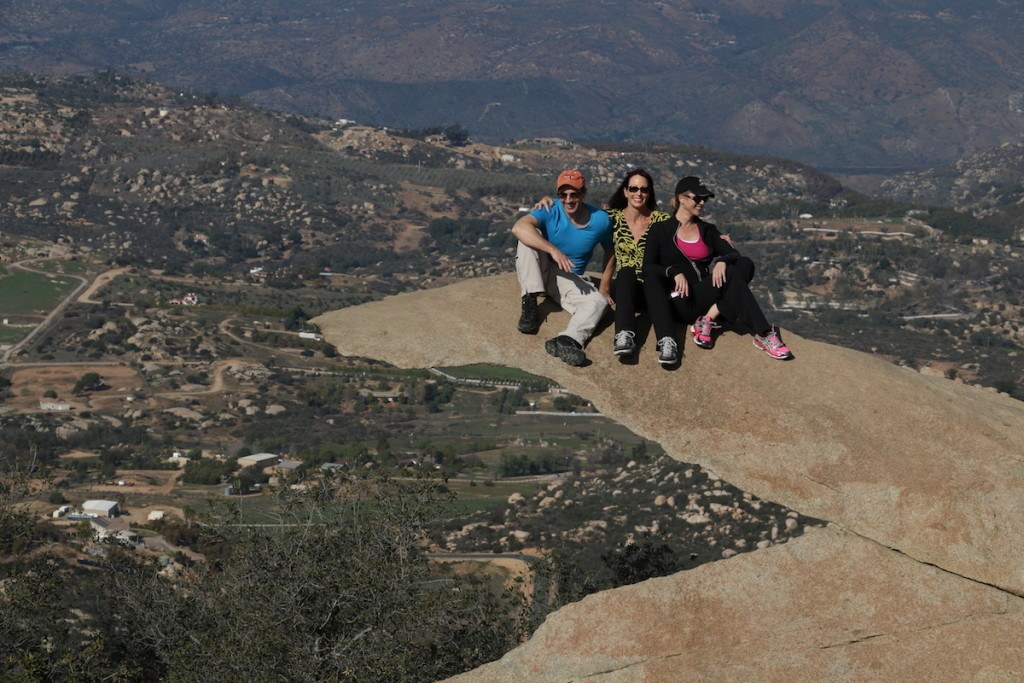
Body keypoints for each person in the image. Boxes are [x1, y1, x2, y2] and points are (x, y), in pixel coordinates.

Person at [642, 175, 793, 364]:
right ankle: (763, 332)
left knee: (745, 264)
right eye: (697, 198)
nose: (702, 202)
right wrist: (672, 271)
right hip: (681, 300)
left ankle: (708, 318)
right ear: (681, 198)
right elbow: (647, 267)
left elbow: (733, 254)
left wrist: (722, 260)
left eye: (704, 198)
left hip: (705, 296)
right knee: (732, 273)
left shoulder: (707, 229)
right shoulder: (661, 230)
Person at [512, 169, 614, 366]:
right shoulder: (549, 208)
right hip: (540, 268)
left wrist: (605, 286)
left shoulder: (600, 220)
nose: (568, 200)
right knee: (526, 241)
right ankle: (530, 301)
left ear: (583, 193)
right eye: (563, 194)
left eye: (574, 194)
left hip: (566, 279)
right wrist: (553, 250)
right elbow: (519, 228)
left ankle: (568, 339)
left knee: (598, 302)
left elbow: (611, 250)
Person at [603, 169, 671, 357]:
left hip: (652, 290)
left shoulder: (662, 221)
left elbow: (690, 230)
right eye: (633, 188)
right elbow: (580, 217)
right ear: (625, 191)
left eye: (644, 189)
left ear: (650, 193)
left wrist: (716, 237)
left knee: (645, 278)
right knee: (626, 272)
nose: (638, 193)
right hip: (625, 289)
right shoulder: (612, 218)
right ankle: (623, 335)